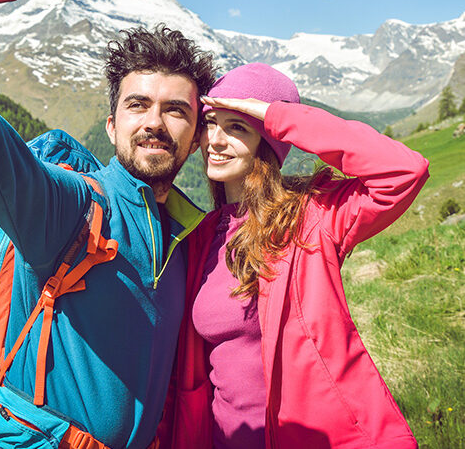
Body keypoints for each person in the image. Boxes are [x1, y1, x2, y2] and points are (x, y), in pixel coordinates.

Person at [0, 0, 217, 449]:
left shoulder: (187, 239)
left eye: (176, 110)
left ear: (196, 135)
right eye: (138, 105)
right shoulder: (69, 209)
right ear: (112, 126)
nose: (154, 122)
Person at [159, 63, 429, 449]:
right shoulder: (200, 237)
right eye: (211, 123)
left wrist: (275, 114)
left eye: (238, 127)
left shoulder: (313, 217)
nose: (215, 140)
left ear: (269, 140)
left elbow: (404, 171)